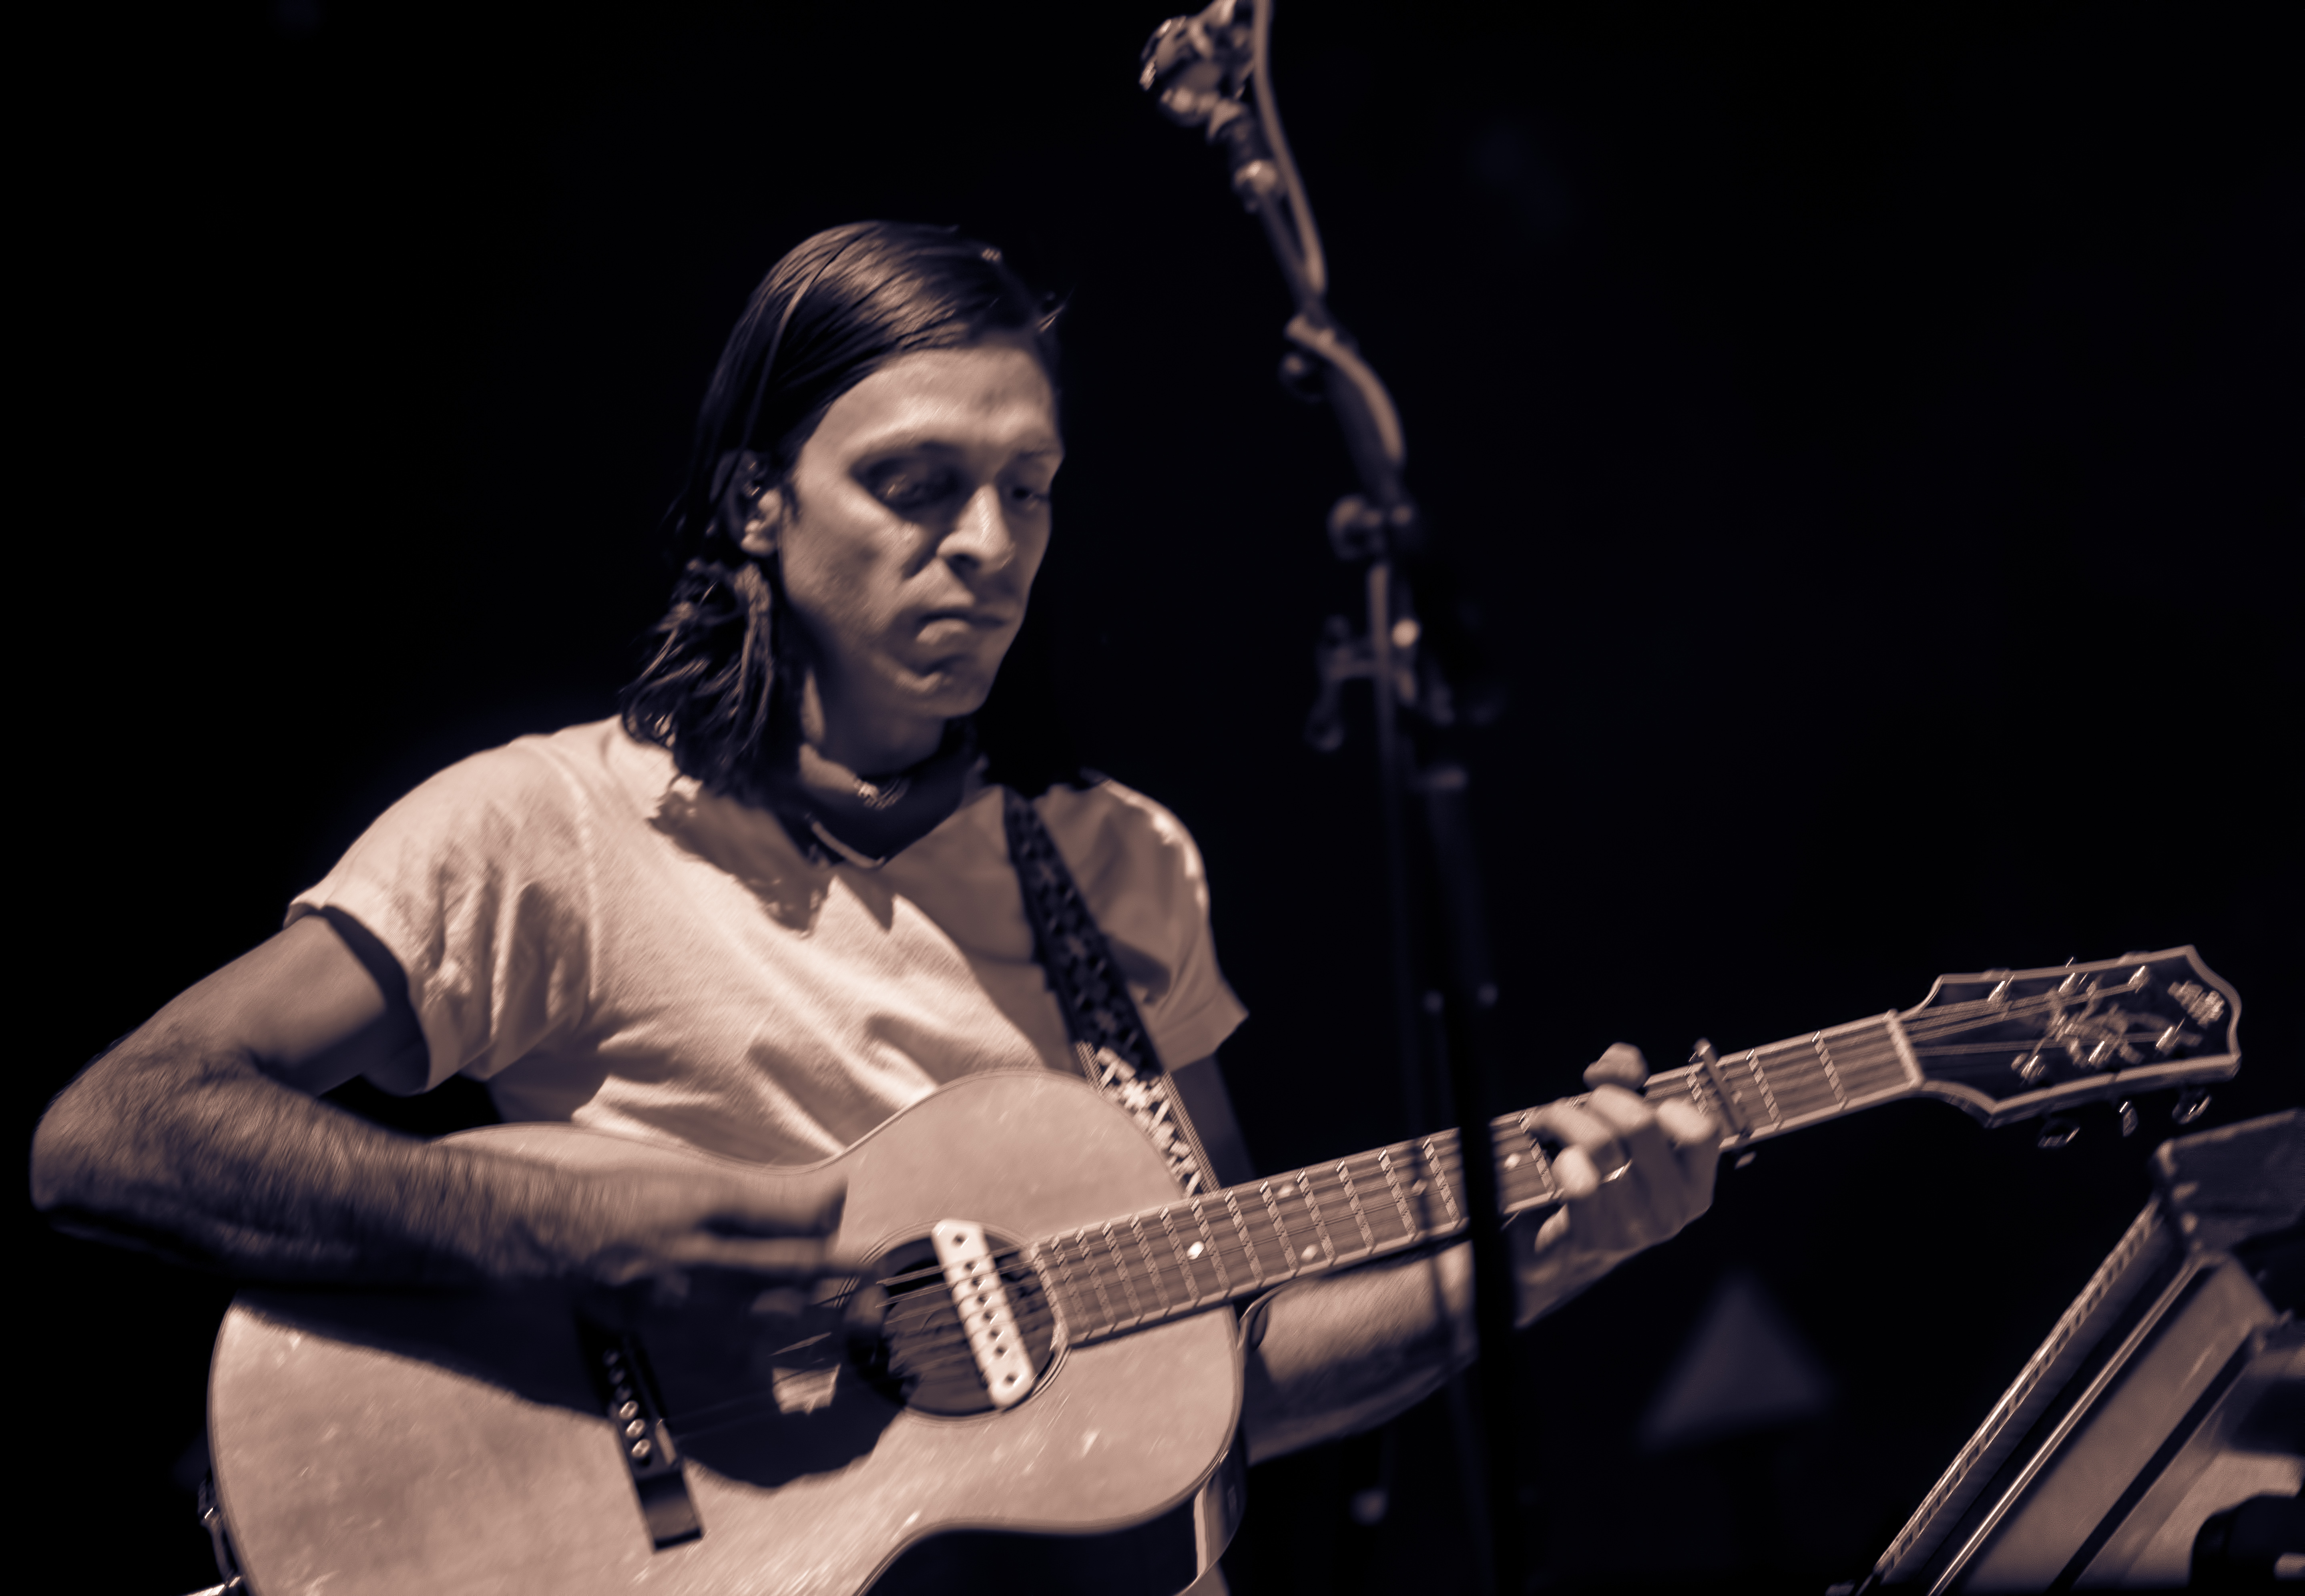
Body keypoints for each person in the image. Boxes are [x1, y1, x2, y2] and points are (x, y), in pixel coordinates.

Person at [30, 220, 1717, 1562]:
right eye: (917, 485)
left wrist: (1564, 1249)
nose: (988, 542)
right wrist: (568, 1223)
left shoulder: (1119, 865)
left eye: (1030, 489)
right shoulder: (546, 828)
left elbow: (1234, 1373)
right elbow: (114, 1130)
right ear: (759, 502)